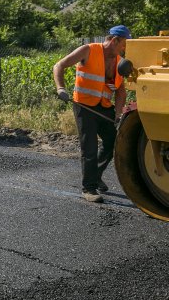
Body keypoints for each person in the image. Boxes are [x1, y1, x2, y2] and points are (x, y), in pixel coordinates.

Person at [53, 25, 131, 203]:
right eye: (123, 44)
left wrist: (118, 114)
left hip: (104, 107)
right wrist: (60, 88)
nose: (124, 48)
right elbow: (59, 65)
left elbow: (121, 92)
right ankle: (88, 188)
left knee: (114, 142)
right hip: (84, 106)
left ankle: (95, 175)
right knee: (89, 147)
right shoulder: (88, 50)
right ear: (114, 40)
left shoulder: (119, 61)